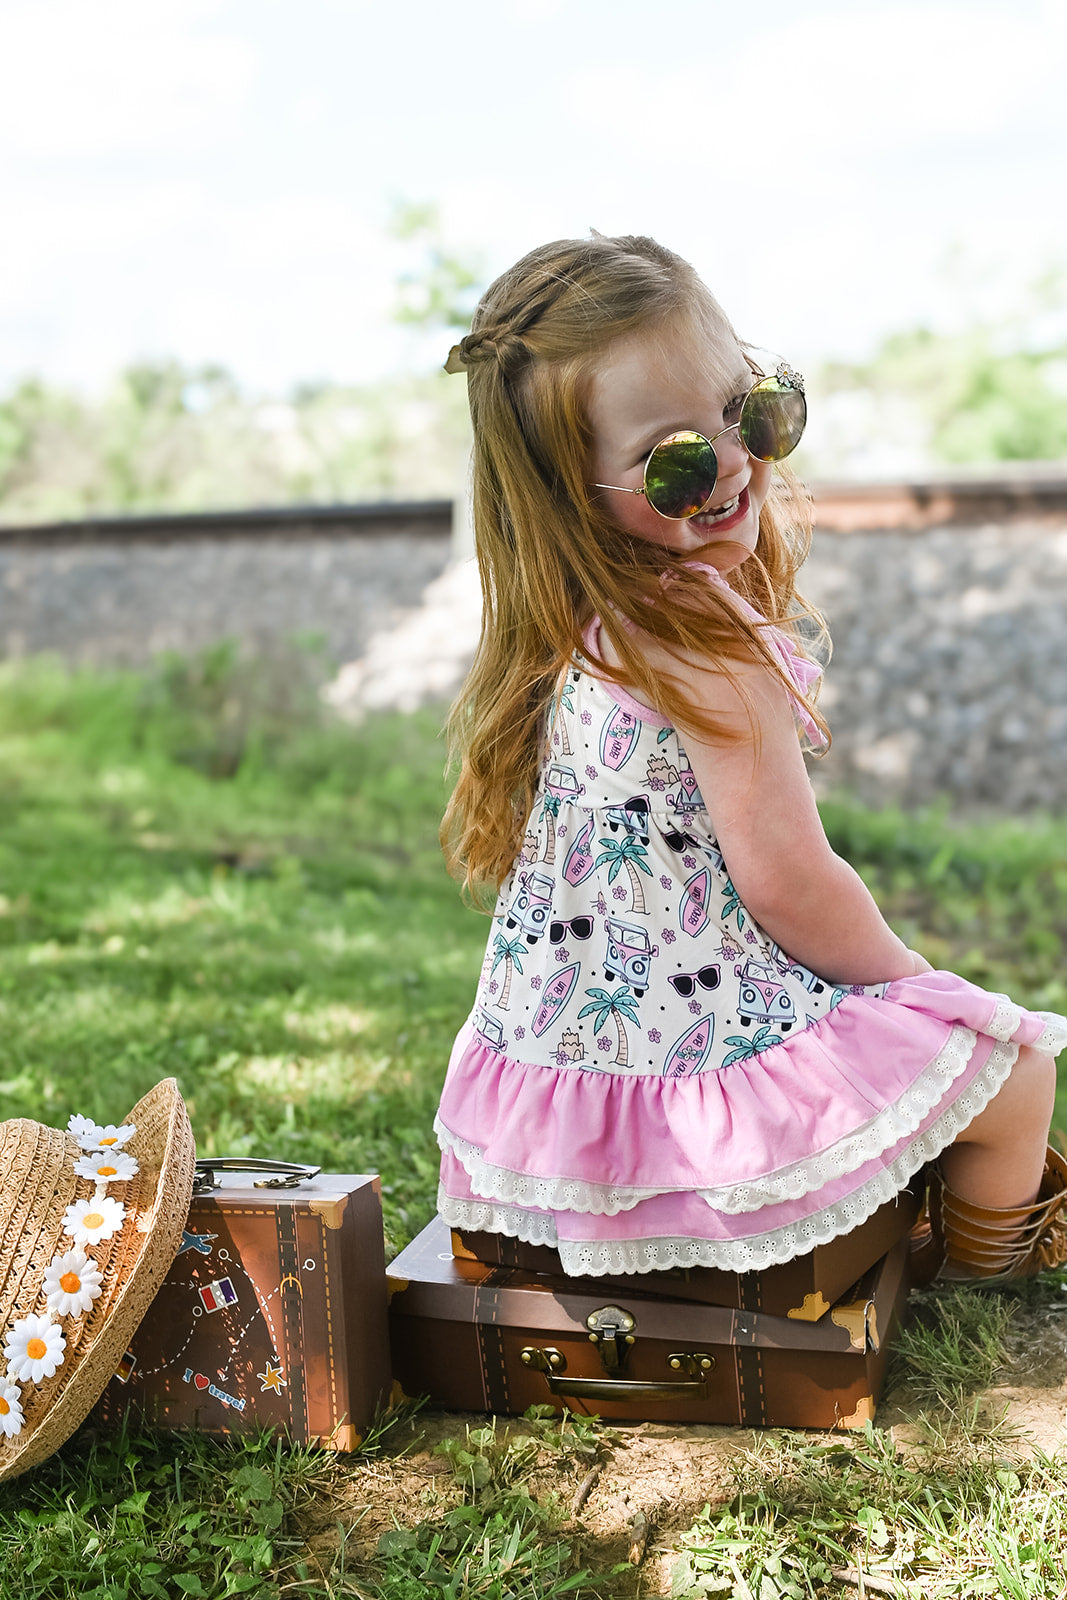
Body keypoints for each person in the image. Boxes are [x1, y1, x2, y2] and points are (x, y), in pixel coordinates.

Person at [434, 232, 1067, 1285]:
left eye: (752, 410)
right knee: (1012, 1068)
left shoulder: (589, 630)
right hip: (700, 1074)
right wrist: (917, 986)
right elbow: (787, 881)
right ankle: (980, 1288)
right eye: (675, 463)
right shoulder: (705, 652)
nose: (733, 463)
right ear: (573, 496)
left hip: (557, 1112)